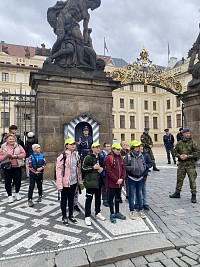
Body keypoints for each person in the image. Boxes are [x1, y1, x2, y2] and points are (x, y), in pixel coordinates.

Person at [48, 0, 101, 65]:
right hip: (63, 18)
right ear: (93, 2)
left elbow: (85, 29)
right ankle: (52, 58)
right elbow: (65, 10)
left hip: (73, 24)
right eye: (95, 6)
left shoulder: (87, 15)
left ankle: (81, 60)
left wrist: (86, 41)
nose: (94, 8)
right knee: (60, 38)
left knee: (80, 39)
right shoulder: (78, 1)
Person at [56, 138, 83, 225]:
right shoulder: (62, 156)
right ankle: (64, 216)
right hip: (65, 182)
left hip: (74, 181)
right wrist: (59, 184)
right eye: (70, 144)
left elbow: (78, 169)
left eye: (74, 144)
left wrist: (80, 180)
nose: (73, 146)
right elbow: (59, 171)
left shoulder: (76, 155)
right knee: (64, 200)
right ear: (66, 145)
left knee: (71, 199)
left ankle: (71, 215)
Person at [170, 128, 199, 203]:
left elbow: (198, 153)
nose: (188, 134)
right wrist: (179, 156)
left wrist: (187, 156)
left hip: (190, 164)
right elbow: (175, 152)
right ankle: (177, 192)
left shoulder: (193, 142)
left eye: (189, 133)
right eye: (186, 133)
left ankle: (193, 195)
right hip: (181, 164)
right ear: (183, 134)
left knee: (192, 180)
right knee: (179, 179)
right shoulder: (179, 143)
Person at [82, 141, 106, 226]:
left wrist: (102, 169)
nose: (98, 149)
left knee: (98, 198)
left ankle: (98, 212)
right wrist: (93, 167)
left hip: (99, 181)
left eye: (99, 147)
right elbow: (83, 168)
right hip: (90, 181)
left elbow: (104, 166)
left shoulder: (101, 156)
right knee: (89, 198)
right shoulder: (88, 157)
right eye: (96, 147)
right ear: (92, 148)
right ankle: (87, 215)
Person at [0, 134, 26, 203]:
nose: (12, 140)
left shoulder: (18, 146)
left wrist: (16, 156)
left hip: (17, 166)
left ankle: (17, 193)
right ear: (6, 140)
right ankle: (9, 195)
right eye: (10, 139)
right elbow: (0, 157)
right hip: (7, 167)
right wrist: (6, 156)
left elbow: (24, 154)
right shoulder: (2, 147)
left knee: (17, 181)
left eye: (13, 139)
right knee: (8, 181)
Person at [124, 140, 147, 220]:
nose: (138, 148)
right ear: (133, 147)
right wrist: (132, 168)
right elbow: (125, 166)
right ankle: (131, 210)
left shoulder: (141, 155)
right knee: (131, 195)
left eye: (138, 146)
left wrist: (143, 169)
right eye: (136, 146)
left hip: (140, 177)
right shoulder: (128, 156)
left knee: (139, 194)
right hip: (131, 178)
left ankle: (140, 209)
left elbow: (144, 164)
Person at [105, 143, 126, 223]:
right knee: (111, 197)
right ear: (113, 149)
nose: (118, 151)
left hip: (119, 182)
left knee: (118, 197)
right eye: (117, 149)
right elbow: (109, 171)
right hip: (112, 183)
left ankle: (117, 212)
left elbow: (123, 168)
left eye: (119, 149)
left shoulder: (120, 157)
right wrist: (116, 180)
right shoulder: (109, 157)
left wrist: (122, 178)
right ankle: (112, 213)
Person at [139, 145, 152, 210]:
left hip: (144, 174)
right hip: (136, 175)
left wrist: (146, 166)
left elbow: (150, 163)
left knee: (143, 188)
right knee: (137, 189)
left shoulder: (146, 155)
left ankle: (145, 203)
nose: (141, 149)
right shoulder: (135, 155)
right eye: (139, 148)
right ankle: (137, 202)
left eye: (142, 148)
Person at [100, 142, 111, 207]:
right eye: (107, 146)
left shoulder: (110, 154)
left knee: (109, 187)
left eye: (109, 146)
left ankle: (109, 198)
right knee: (104, 187)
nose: (108, 148)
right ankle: (104, 200)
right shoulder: (102, 154)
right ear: (104, 147)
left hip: (109, 173)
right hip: (104, 173)